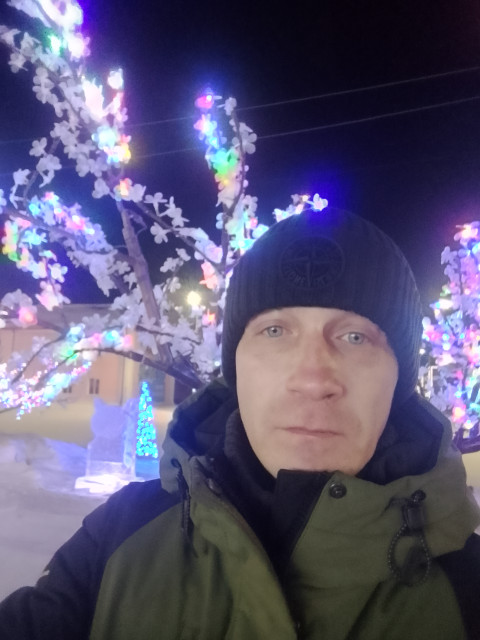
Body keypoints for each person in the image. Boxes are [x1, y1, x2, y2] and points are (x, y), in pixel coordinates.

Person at [1, 207, 480, 639]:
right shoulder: (118, 536)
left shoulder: (466, 590)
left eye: (355, 337)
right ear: (235, 370)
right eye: (275, 331)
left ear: (399, 382)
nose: (313, 379)